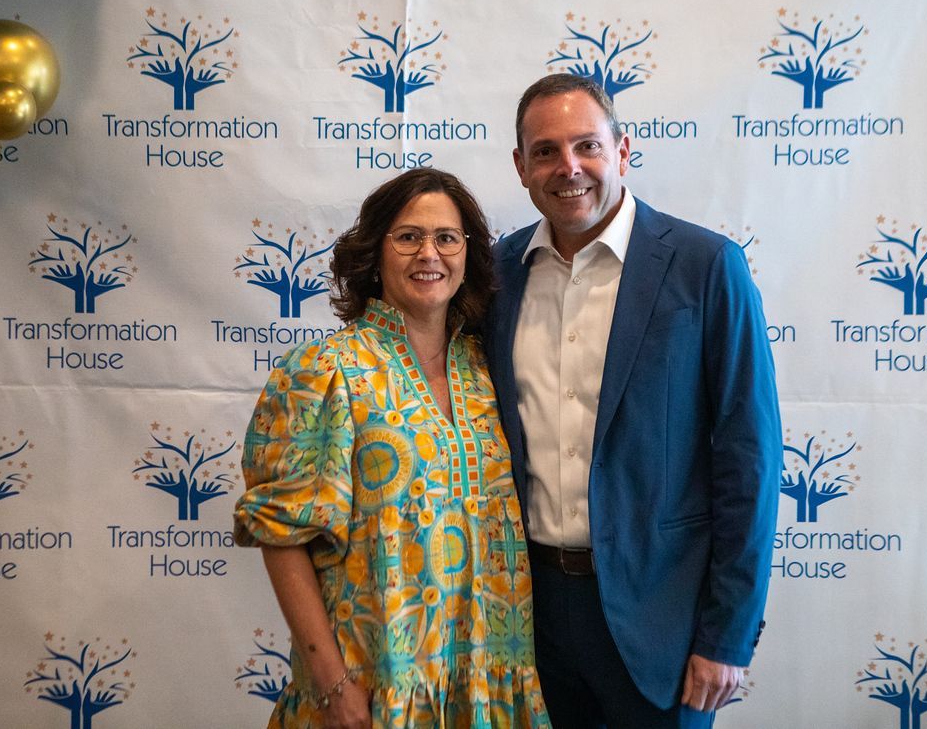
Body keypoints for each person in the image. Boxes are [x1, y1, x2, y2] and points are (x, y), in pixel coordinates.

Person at [485, 74, 782, 728]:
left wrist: (727, 635)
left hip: (662, 624)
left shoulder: (707, 266)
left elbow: (750, 460)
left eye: (587, 145)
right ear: (521, 167)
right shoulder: (497, 274)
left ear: (621, 152)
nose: (568, 167)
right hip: (527, 621)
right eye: (545, 151)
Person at [234, 169, 551, 729]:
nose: (429, 253)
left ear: (467, 255)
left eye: (447, 238)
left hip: (490, 686)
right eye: (408, 237)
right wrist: (332, 686)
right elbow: (283, 538)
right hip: (372, 688)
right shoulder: (325, 372)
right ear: (374, 253)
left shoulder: (489, 369)